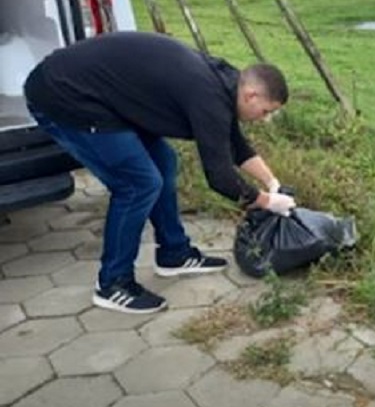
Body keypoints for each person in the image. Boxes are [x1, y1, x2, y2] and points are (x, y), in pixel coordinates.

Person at [24, 32, 298, 314]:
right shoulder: (210, 96)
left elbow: (233, 142)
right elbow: (219, 177)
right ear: (251, 94)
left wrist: (271, 181)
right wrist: (265, 201)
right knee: (138, 183)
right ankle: (112, 284)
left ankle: (173, 253)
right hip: (63, 94)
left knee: (164, 163)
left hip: (104, 96)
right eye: (265, 111)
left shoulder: (225, 83)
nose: (265, 120)